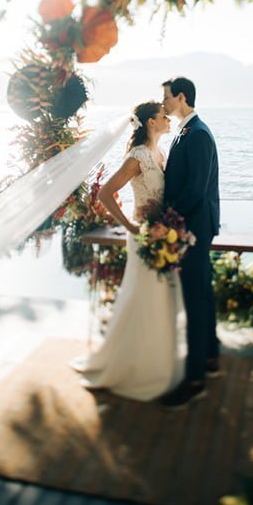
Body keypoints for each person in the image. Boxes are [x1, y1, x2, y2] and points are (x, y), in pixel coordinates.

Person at [70, 100, 185, 401]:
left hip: (161, 236)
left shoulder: (159, 153)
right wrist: (131, 227)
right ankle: (130, 365)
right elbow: (106, 193)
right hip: (143, 236)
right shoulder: (137, 157)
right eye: (163, 116)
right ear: (150, 122)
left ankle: (152, 360)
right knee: (140, 298)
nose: (168, 119)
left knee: (157, 300)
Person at [158, 76, 222, 410]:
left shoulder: (196, 134)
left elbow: (196, 190)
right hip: (195, 226)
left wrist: (167, 219)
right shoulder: (189, 131)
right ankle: (210, 354)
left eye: (166, 96)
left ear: (181, 97)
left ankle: (195, 378)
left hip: (194, 228)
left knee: (195, 299)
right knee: (203, 292)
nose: (164, 102)